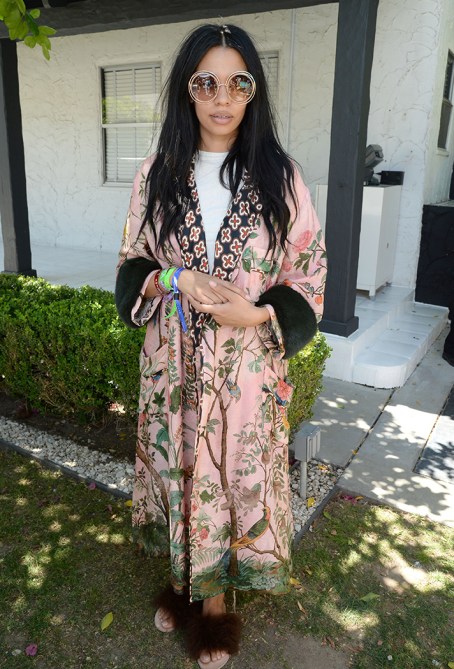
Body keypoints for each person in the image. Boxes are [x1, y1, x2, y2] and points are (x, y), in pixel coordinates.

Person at [115, 23, 327, 669]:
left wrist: (258, 312)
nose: (222, 97)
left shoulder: (281, 177)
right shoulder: (156, 174)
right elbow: (133, 260)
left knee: (232, 478)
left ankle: (215, 607)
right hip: (173, 366)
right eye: (206, 81)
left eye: (239, 82)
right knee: (180, 468)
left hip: (245, 372)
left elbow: (308, 272)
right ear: (187, 89)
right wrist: (176, 278)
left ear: (254, 91)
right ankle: (183, 583)